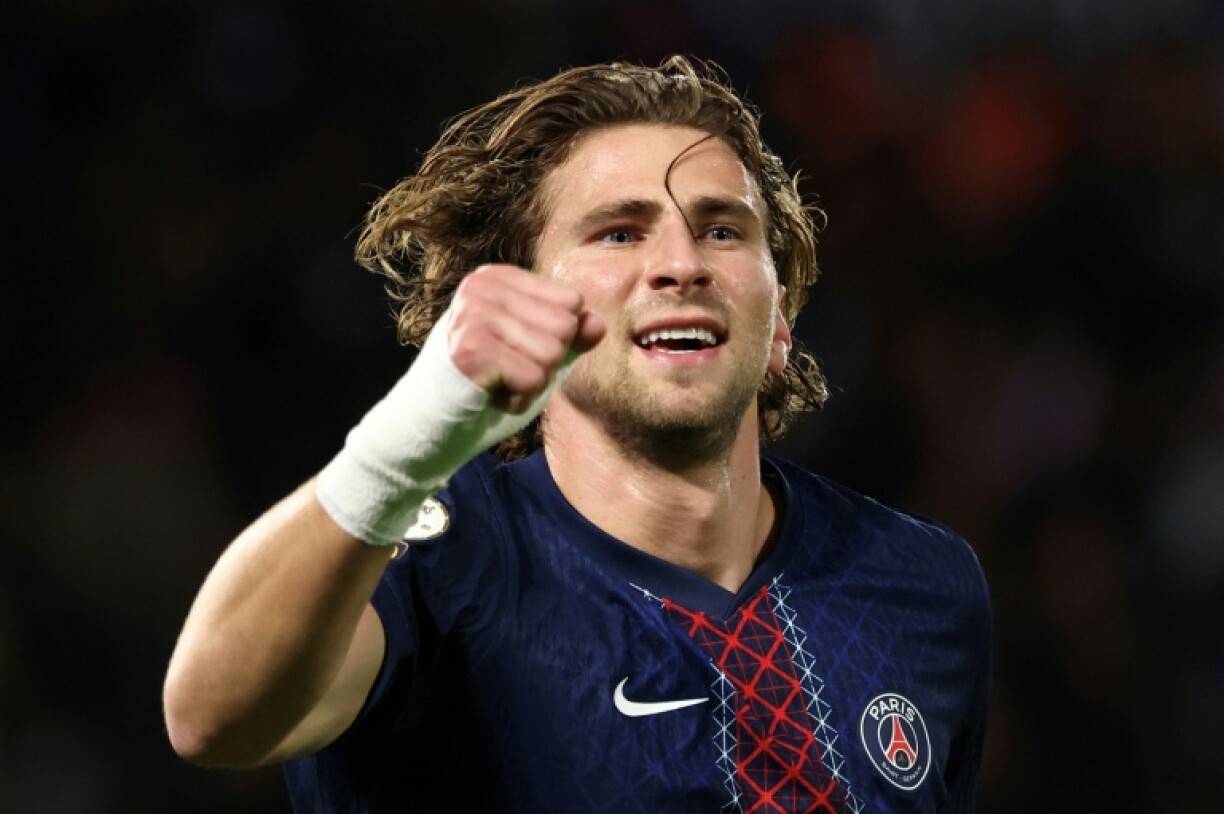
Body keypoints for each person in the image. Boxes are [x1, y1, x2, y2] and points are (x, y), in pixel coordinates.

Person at [163, 56, 991, 813]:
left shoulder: (925, 583)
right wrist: (398, 448)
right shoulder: (426, 569)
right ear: (525, 306)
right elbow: (209, 721)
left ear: (780, 323)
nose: (681, 264)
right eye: (619, 233)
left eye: (723, 230)